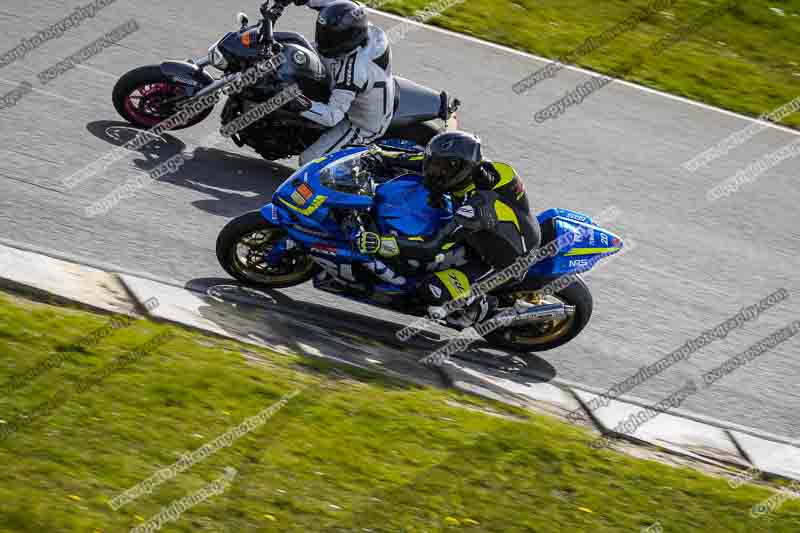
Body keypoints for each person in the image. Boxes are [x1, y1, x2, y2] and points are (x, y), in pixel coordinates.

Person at [356, 131, 542, 328]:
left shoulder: (475, 209)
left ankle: (484, 309)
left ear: (462, 169)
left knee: (434, 293)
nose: (434, 171)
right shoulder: (478, 169)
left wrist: (382, 243)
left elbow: (432, 246)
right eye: (435, 164)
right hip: (491, 235)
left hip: (502, 265)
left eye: (443, 168)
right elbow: (419, 160)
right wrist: (380, 155)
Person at [291, 0, 395, 166]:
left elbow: (332, 116)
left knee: (309, 162)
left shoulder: (354, 72)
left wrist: (294, 101)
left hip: (360, 124)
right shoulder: (362, 27)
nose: (324, 40)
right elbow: (341, 8)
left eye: (331, 38)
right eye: (324, 33)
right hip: (364, 85)